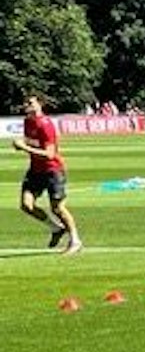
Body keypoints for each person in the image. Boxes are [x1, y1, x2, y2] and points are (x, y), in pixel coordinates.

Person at [14, 95, 82, 253]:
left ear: (40, 105)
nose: (26, 105)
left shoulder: (45, 125)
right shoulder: (27, 121)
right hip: (35, 170)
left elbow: (50, 154)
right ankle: (56, 228)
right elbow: (31, 143)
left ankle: (75, 240)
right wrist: (23, 145)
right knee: (26, 205)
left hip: (52, 170)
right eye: (25, 103)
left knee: (57, 208)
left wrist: (24, 148)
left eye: (30, 103)